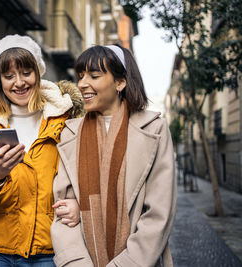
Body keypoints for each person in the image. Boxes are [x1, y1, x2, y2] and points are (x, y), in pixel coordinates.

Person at [0, 34, 83, 267]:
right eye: (8, 76)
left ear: (38, 73)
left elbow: (85, 179)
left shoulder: (65, 122)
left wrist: (79, 206)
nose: (19, 82)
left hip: (47, 249)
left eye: (26, 72)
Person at [50, 44, 177, 267]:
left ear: (120, 82)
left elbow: (159, 213)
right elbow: (63, 210)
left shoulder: (153, 129)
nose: (82, 84)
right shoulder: (71, 133)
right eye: (81, 76)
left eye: (94, 75)